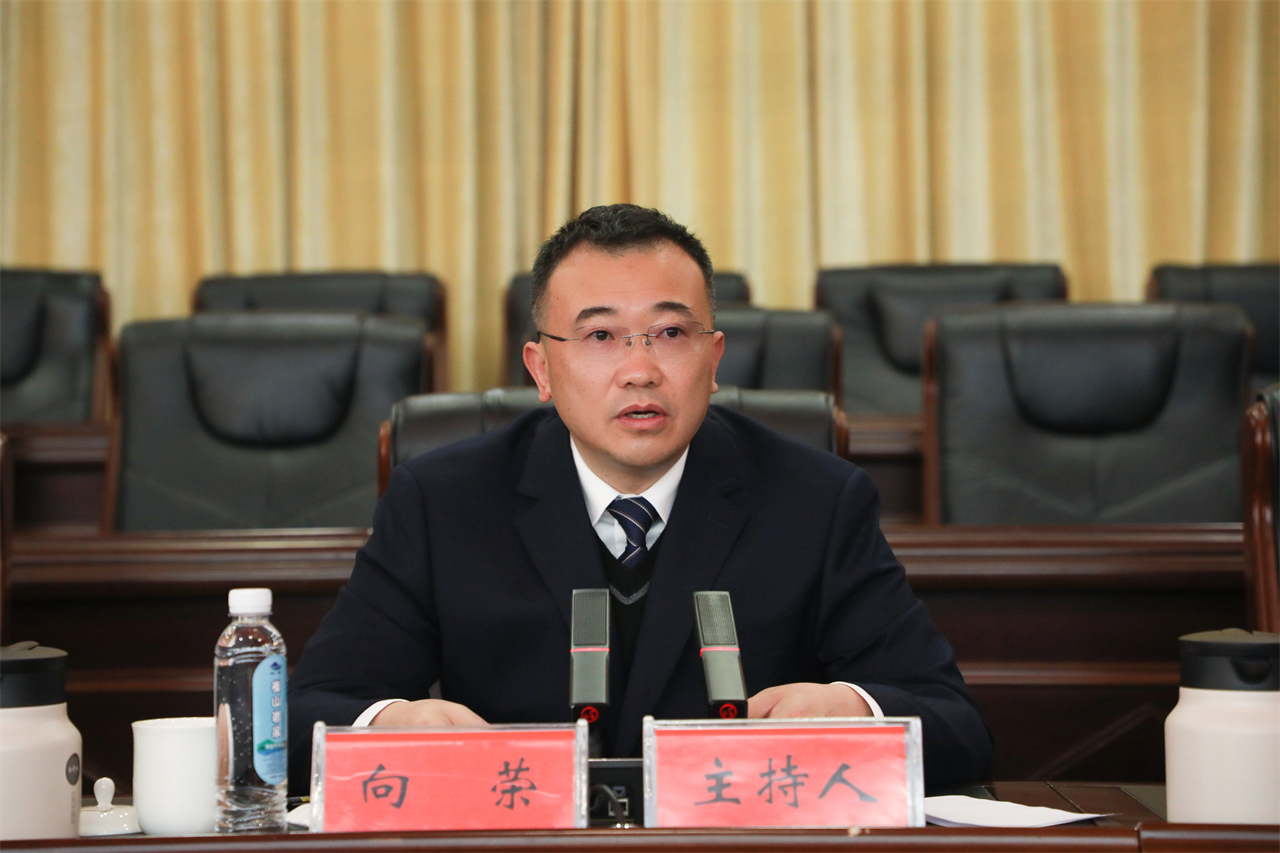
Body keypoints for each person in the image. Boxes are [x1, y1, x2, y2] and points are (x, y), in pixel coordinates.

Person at [288, 204, 992, 795]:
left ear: (714, 360)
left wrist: (855, 710)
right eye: (600, 336)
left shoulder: (818, 500)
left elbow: (957, 728)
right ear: (541, 368)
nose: (639, 370)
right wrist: (389, 723)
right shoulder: (441, 503)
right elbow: (299, 720)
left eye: (671, 333)